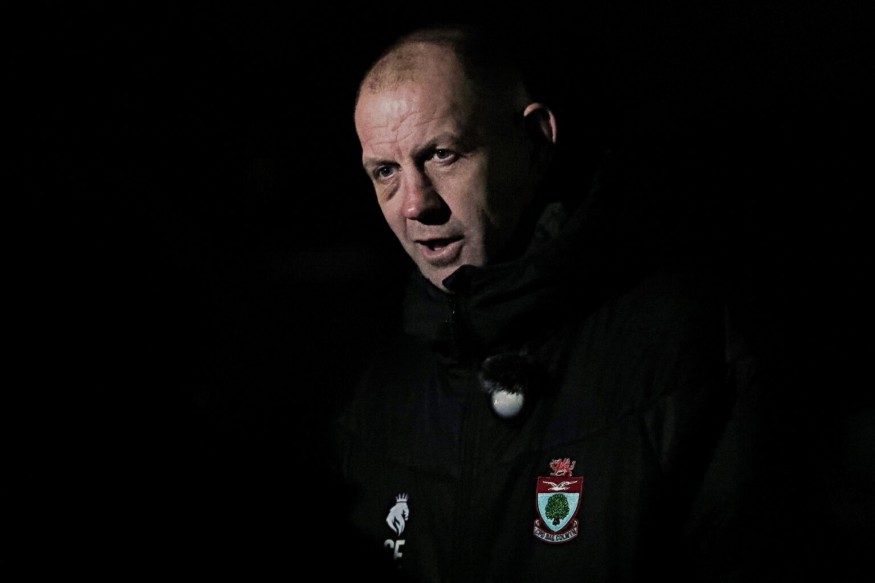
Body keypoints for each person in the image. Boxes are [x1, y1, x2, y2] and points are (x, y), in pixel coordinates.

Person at [328, 21, 806, 583]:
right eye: (385, 171)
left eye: (442, 155)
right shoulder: (366, 389)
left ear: (535, 139)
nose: (415, 204)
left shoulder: (692, 347)